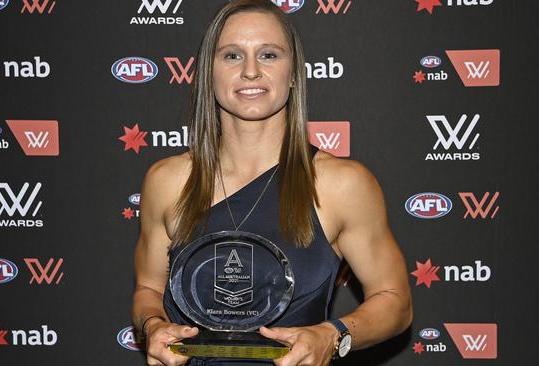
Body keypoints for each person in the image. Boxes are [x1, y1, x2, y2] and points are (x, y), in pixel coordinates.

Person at [132, 1, 412, 365]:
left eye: (269, 55)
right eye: (232, 55)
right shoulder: (167, 181)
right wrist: (153, 325)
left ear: (293, 73)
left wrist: (332, 335)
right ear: (208, 72)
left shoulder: (340, 184)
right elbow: (148, 288)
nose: (251, 71)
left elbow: (395, 301)